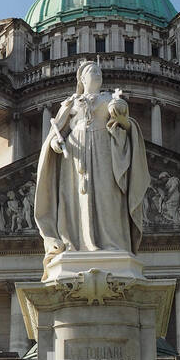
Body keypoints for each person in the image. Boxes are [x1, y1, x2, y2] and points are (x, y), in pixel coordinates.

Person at [33, 59, 149, 256]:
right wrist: (55, 144)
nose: (97, 73)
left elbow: (124, 126)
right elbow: (58, 132)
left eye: (99, 71)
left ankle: (114, 242)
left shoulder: (109, 99)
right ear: (82, 78)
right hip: (75, 156)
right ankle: (74, 242)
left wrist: (122, 119)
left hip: (105, 151)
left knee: (109, 194)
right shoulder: (70, 103)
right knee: (76, 199)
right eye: (92, 71)